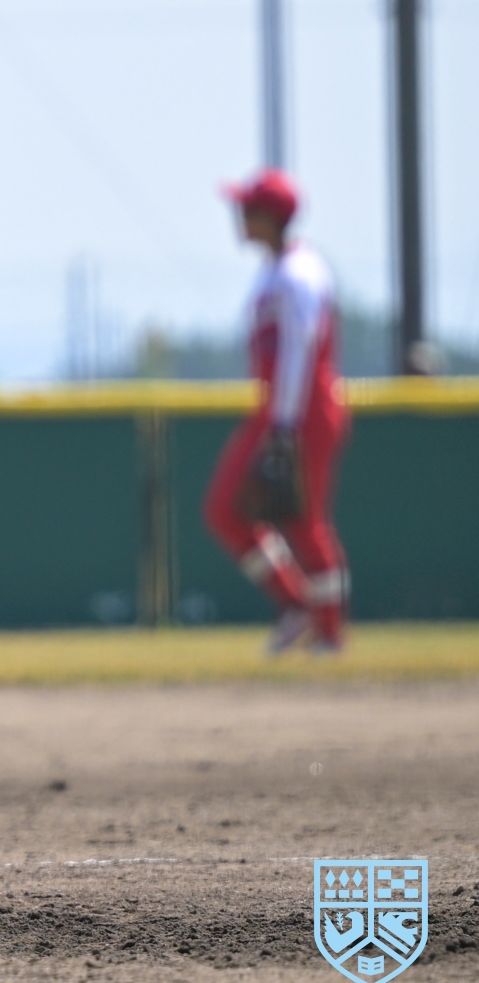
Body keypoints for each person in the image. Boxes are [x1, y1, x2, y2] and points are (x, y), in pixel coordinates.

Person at [203, 169, 351, 653]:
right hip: (276, 410)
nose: (238, 218)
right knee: (225, 511)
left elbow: (298, 352)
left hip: (305, 410)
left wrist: (285, 424)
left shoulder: (299, 272)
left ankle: (329, 632)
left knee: (306, 521)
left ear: (267, 217)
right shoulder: (273, 270)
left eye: (245, 209)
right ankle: (297, 606)